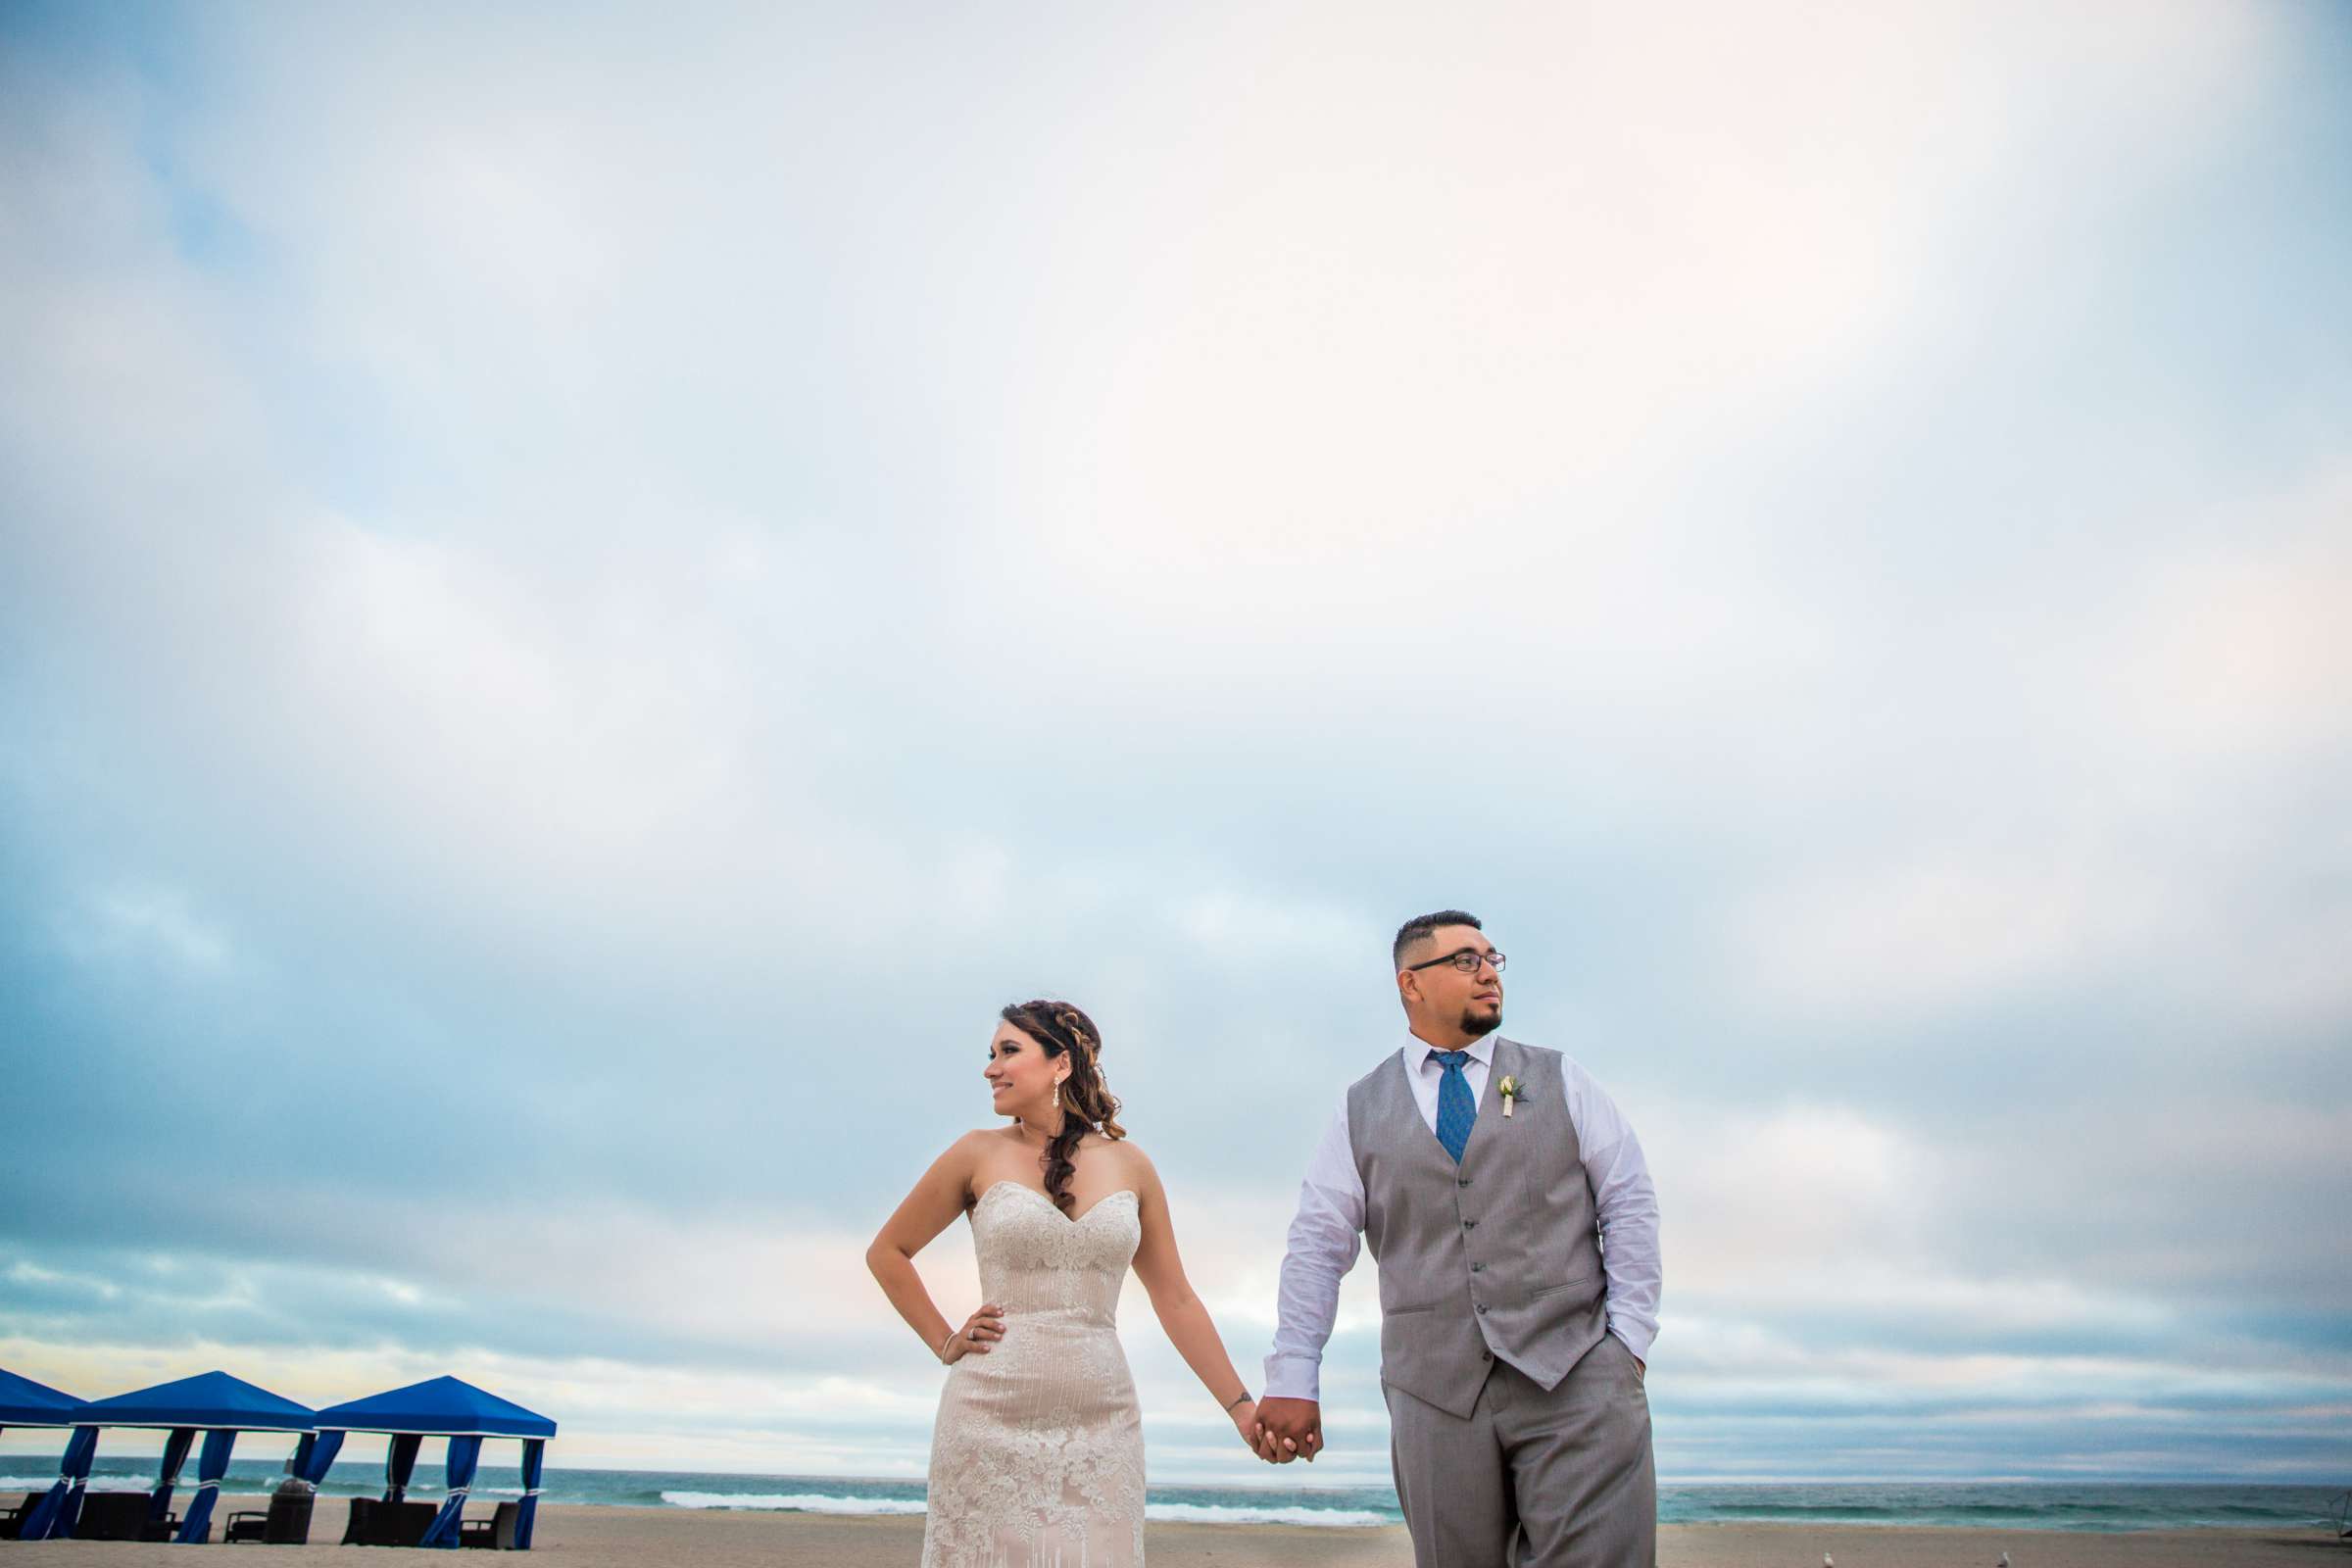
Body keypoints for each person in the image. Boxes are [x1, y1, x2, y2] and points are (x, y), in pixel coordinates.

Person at [1253, 910, 1662, 1566]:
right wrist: (1295, 1374)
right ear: (1411, 984)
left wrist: (1629, 1343)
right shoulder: (1359, 1108)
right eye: (1467, 960)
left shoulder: (1562, 1078)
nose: (1489, 973)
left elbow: (1629, 1201)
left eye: (1493, 958)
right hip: (1433, 1392)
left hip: (1576, 1373)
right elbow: (1318, 1245)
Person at [868, 1000, 1261, 1567]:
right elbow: (888, 1252)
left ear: (1061, 1064)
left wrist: (1240, 1407)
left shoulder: (1132, 1164)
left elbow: (1176, 1298)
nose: (990, 1068)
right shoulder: (975, 1153)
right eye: (991, 1053)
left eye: (1009, 1051)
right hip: (986, 1416)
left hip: (1102, 1423)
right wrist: (945, 1340)